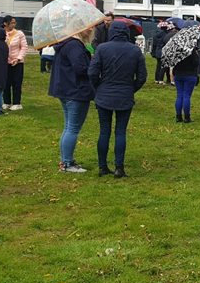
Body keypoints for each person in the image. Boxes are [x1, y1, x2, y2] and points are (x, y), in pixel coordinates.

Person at [88, 21, 147, 177]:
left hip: (104, 94)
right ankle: (119, 168)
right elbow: (142, 77)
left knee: (104, 131)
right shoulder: (135, 51)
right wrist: (131, 88)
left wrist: (98, 88)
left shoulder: (101, 49)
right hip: (124, 94)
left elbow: (92, 73)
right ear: (126, 33)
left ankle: (102, 166)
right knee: (120, 132)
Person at [48, 25, 97, 172]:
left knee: (69, 127)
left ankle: (66, 160)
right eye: (86, 28)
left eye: (91, 28)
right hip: (75, 91)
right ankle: (67, 163)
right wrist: (93, 65)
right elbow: (81, 68)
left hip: (66, 89)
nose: (90, 30)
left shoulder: (67, 43)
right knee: (72, 128)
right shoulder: (74, 45)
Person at [3, 17, 27, 111]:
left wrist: (18, 58)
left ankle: (17, 103)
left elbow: (24, 47)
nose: (13, 24)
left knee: (17, 82)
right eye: (11, 23)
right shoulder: (2, 34)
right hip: (5, 62)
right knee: (6, 83)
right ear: (5, 23)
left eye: (14, 23)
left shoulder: (19, 34)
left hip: (17, 62)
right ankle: (6, 102)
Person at [172, 48, 200, 123]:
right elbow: (196, 63)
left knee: (179, 95)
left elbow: (173, 63)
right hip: (190, 75)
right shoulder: (191, 50)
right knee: (186, 96)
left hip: (178, 74)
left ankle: (178, 116)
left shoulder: (176, 50)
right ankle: (187, 117)